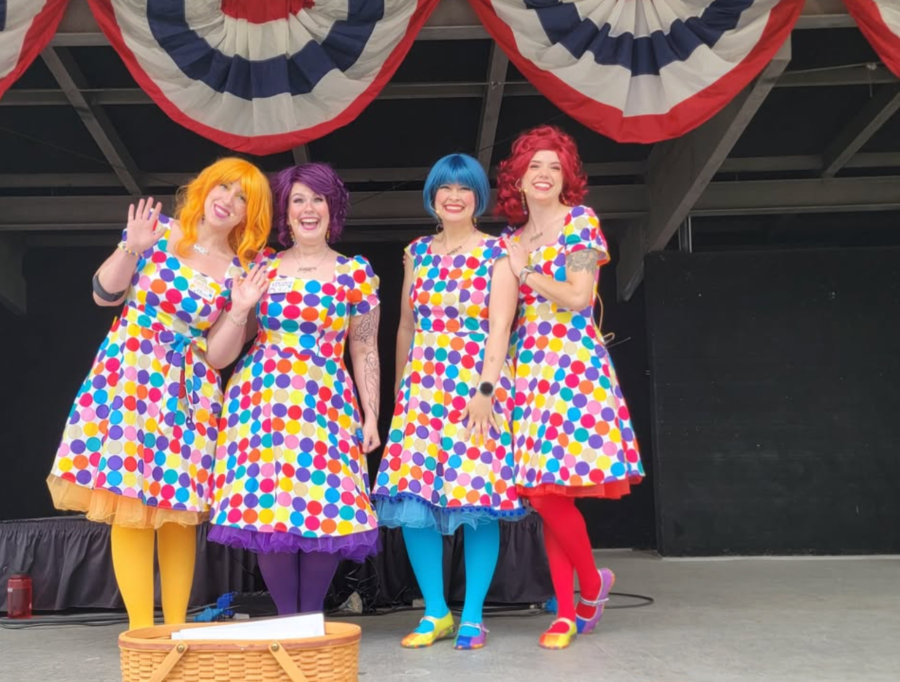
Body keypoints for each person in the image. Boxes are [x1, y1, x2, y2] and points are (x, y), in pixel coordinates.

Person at [47, 158, 272, 629]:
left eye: (243, 199)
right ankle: (141, 632)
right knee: (128, 500)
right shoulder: (159, 231)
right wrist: (131, 246)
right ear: (205, 188)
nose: (228, 201)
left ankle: (175, 628)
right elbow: (103, 294)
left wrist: (240, 310)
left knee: (176, 508)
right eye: (224, 188)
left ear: (249, 215)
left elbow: (218, 357)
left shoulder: (241, 271)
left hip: (189, 388)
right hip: (130, 374)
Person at [207, 162, 382, 615]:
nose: (308, 208)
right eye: (298, 200)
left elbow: (364, 348)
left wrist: (371, 415)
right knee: (271, 513)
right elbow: (233, 339)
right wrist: (239, 308)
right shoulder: (260, 265)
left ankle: (310, 618)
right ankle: (289, 621)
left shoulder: (355, 272)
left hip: (326, 401)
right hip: (261, 402)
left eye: (318, 199)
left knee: (326, 506)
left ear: (333, 207)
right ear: (284, 211)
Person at [498, 125, 644, 649]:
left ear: (567, 178)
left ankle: (584, 593)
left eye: (554, 167)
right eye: (533, 166)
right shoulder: (510, 241)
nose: (543, 174)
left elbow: (580, 295)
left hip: (572, 365)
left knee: (550, 493)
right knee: (544, 496)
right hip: (528, 368)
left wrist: (527, 273)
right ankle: (572, 604)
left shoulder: (581, 223)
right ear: (517, 178)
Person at [371, 153, 523, 650]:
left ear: (478, 197)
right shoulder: (417, 251)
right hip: (422, 388)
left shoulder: (497, 252)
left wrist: (486, 391)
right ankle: (435, 612)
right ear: (433, 195)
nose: (454, 196)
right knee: (413, 498)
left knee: (477, 501)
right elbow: (406, 325)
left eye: (465, 188)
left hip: (476, 386)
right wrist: (401, 390)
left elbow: (500, 326)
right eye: (446, 187)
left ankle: (473, 615)